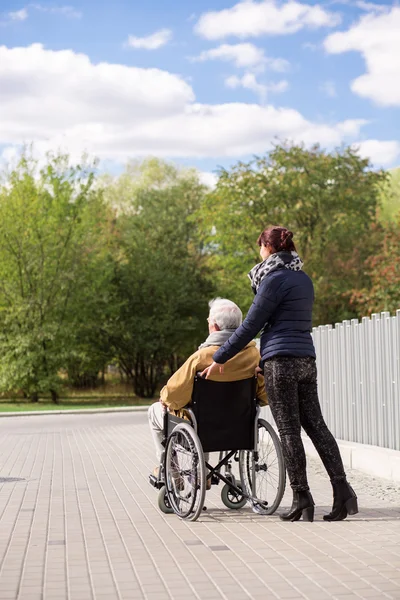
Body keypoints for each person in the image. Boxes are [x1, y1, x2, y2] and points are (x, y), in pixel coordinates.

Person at [201, 226, 358, 522]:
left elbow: (250, 325)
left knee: (289, 430)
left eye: (260, 247)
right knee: (317, 426)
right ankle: (343, 491)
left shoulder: (272, 281)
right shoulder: (304, 279)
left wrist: (220, 357)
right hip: (306, 360)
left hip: (281, 364)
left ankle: (302, 497)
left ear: (268, 248)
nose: (258, 252)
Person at [148, 298, 267, 488]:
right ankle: (202, 473)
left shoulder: (201, 357)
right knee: (200, 417)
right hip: (240, 428)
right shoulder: (254, 355)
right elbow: (264, 395)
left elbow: (173, 397)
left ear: (215, 326)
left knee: (157, 411)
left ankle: (171, 473)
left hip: (202, 427)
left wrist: (164, 398)